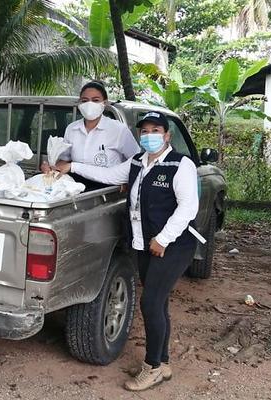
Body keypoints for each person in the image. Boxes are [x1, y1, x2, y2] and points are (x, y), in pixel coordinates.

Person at [55, 111, 199, 392]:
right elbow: (106, 174)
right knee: (160, 303)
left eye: (155, 130)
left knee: (150, 303)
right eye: (144, 131)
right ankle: (163, 362)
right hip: (145, 244)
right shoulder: (137, 162)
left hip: (173, 246)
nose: (149, 136)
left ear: (167, 136)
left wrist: (164, 239)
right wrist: (70, 167)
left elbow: (188, 208)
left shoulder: (181, 165)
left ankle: (152, 368)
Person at [41, 81, 140, 191]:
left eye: (95, 100)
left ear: (105, 103)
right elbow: (64, 160)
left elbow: (136, 161)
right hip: (76, 187)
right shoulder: (72, 129)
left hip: (106, 189)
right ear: (80, 103)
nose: (89, 104)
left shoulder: (118, 130)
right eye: (85, 100)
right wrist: (52, 167)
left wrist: (126, 182)